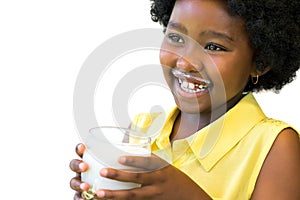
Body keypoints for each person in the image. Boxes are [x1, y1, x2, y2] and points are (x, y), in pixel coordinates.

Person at [70, 0, 300, 199]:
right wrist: (101, 190)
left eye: (213, 47)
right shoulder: (144, 127)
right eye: (176, 38)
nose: (185, 62)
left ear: (260, 63)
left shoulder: (275, 146)